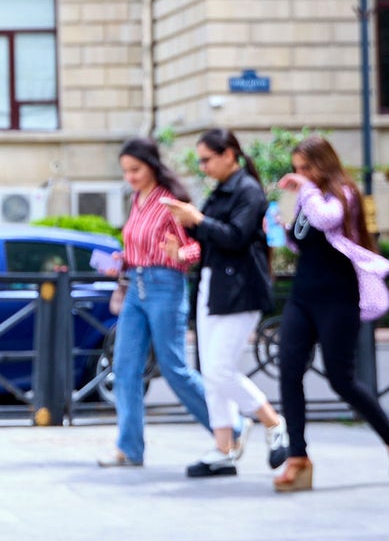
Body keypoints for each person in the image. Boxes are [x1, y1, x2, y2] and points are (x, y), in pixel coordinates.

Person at [163, 129, 288, 472]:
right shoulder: (221, 190)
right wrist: (185, 231)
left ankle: (274, 423)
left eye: (207, 159)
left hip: (241, 290)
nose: (203, 167)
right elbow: (209, 238)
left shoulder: (247, 190)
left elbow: (235, 236)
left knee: (219, 370)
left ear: (229, 154)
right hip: (212, 285)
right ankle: (223, 448)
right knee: (211, 372)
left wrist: (198, 220)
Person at [271, 136, 389, 492]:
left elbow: (326, 220)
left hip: (338, 299)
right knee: (289, 370)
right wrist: (283, 227)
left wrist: (305, 189)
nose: (301, 174)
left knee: (342, 380)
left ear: (324, 163)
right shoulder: (310, 197)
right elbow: (304, 240)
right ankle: (298, 457)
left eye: (307, 167)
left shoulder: (343, 193)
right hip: (303, 296)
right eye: (297, 168)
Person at [98, 136, 214, 468]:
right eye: (125, 171)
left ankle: (229, 427)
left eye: (135, 169)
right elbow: (138, 244)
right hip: (135, 285)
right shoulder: (137, 199)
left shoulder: (170, 201)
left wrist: (179, 254)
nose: (130, 177)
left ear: (151, 165)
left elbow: (197, 248)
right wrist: (122, 259)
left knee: (174, 367)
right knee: (124, 368)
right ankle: (130, 448)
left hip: (166, 285)